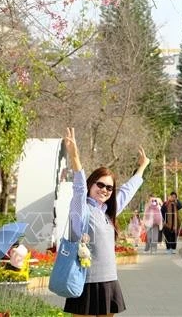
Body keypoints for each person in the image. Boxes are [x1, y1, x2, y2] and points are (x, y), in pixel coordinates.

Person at [62, 127, 150, 317]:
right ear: (91, 184)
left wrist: (142, 167)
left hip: (108, 279)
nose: (104, 190)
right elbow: (78, 189)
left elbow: (127, 191)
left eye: (109, 187)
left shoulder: (107, 211)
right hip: (85, 280)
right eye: (100, 184)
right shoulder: (82, 207)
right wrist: (75, 158)